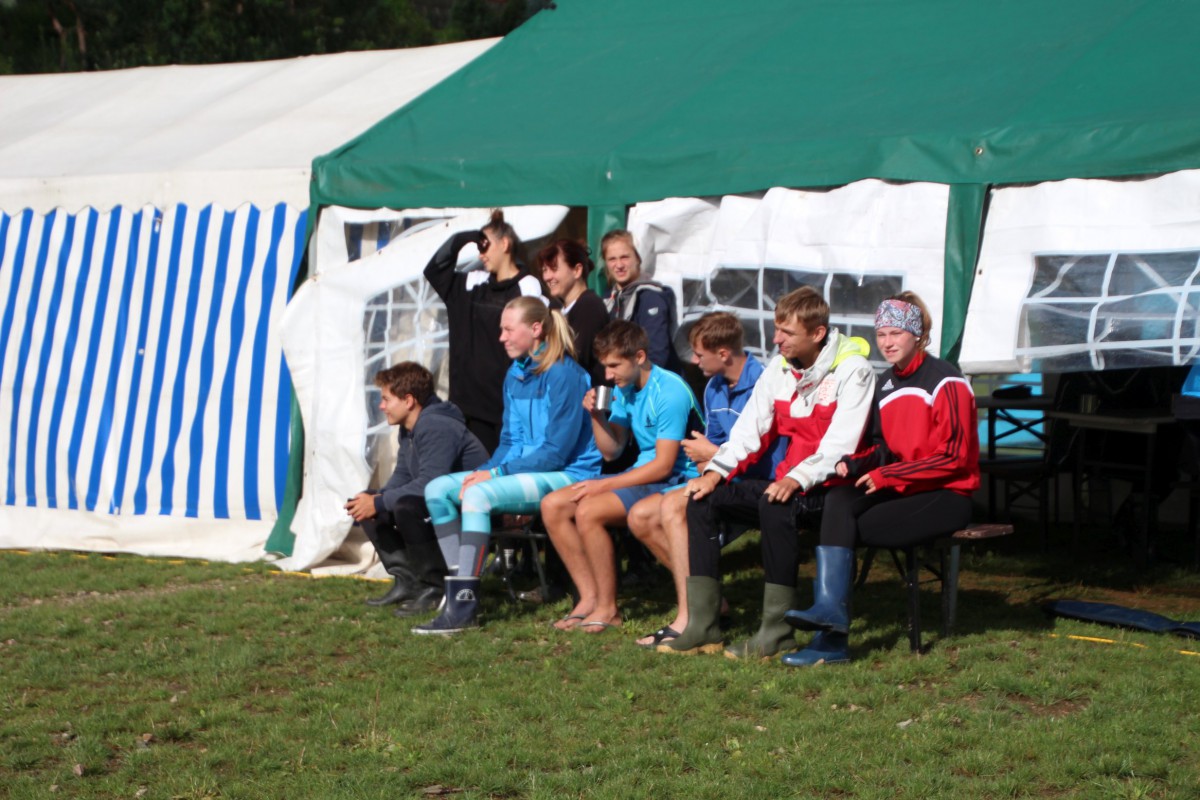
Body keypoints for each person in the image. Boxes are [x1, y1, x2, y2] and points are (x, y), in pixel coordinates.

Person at [662, 287, 876, 657]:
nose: (776, 339)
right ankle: (704, 625)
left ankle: (776, 632)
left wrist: (795, 479)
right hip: (788, 481)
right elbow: (749, 430)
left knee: (775, 505)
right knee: (702, 499)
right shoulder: (779, 367)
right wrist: (714, 474)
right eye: (777, 329)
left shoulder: (854, 370)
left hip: (832, 488)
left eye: (787, 332)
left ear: (817, 333)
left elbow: (840, 445)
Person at [782, 291, 980, 667]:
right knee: (839, 500)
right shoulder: (885, 382)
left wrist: (888, 474)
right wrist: (854, 464)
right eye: (882, 334)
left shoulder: (947, 380)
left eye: (896, 333)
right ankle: (828, 619)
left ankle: (831, 636)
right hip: (905, 490)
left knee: (848, 527)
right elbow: (881, 448)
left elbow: (954, 458)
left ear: (918, 335)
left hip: (947, 495)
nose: (887, 342)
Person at [414, 296, 602, 635]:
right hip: (525, 471)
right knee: (437, 489)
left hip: (569, 474)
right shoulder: (514, 374)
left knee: (478, 496)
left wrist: (495, 475)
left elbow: (556, 453)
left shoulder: (564, 374)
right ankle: (460, 588)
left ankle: (464, 606)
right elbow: (510, 440)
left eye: (508, 329)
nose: (501, 337)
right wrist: (485, 470)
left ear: (536, 329)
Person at [627, 312, 786, 648]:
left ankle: (689, 618)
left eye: (700, 355)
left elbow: (769, 459)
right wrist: (705, 459)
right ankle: (709, 604)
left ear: (723, 353)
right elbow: (712, 445)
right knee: (640, 517)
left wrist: (712, 454)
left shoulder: (764, 384)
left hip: (758, 483)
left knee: (672, 507)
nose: (695, 361)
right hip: (722, 476)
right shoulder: (714, 386)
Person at [540, 320, 701, 633]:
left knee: (589, 510)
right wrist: (596, 416)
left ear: (639, 357)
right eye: (605, 366)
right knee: (553, 506)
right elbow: (612, 451)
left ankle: (608, 608)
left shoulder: (669, 391)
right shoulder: (625, 390)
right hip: (645, 474)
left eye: (614, 366)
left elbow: (664, 465)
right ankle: (589, 598)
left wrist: (604, 484)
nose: (608, 375)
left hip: (678, 477)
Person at [344, 362, 489, 616]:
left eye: (386, 399)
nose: (382, 406)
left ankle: (435, 587)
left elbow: (430, 484)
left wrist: (379, 502)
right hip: (442, 501)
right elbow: (403, 475)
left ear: (408, 400)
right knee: (367, 501)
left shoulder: (436, 426)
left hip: (472, 506)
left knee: (405, 506)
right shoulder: (409, 428)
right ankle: (408, 582)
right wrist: (375, 501)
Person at [424, 209, 545, 454]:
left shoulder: (527, 286)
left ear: (505, 244)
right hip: (463, 406)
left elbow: (538, 343)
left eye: (485, 245)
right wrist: (464, 237)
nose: (481, 253)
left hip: (503, 409)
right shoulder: (472, 282)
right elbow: (434, 270)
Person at [601, 229, 682, 373]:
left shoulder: (651, 297)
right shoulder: (608, 299)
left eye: (625, 257)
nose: (619, 265)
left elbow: (657, 353)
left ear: (638, 258)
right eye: (612, 259)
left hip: (651, 381)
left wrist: (638, 382)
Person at [540, 238, 609, 387]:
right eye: (545, 270)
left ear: (577, 270)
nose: (547, 277)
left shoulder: (590, 306)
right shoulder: (557, 308)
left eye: (554, 269)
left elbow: (575, 360)